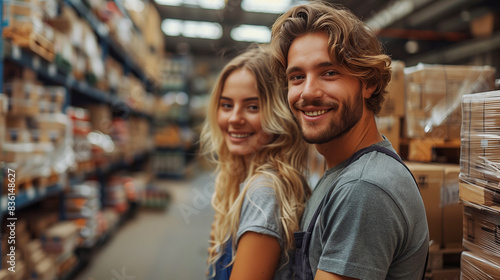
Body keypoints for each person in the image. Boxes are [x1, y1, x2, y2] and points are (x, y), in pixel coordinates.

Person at [269, 2, 429, 280]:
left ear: (369, 83)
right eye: (297, 77)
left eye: (329, 72)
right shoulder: (345, 170)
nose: (307, 92)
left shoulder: (364, 188)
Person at [200, 45, 311, 280]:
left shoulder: (262, 193)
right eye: (227, 105)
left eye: (252, 107)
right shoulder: (245, 180)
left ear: (278, 114)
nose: (234, 118)